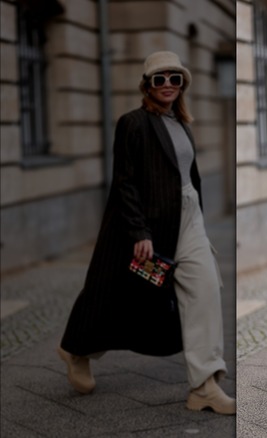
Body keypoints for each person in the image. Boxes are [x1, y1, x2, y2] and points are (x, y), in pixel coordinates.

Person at [57, 51, 235, 415]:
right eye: (159, 79)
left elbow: (187, 179)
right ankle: (77, 349)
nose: (167, 85)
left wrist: (197, 217)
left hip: (189, 218)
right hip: (149, 225)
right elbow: (124, 183)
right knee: (116, 296)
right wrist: (140, 230)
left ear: (183, 83)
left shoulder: (182, 123)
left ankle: (204, 385)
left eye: (174, 78)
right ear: (147, 86)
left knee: (204, 290)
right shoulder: (133, 123)